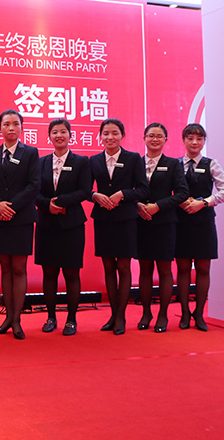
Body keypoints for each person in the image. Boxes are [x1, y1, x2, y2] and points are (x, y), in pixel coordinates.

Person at [90, 118, 150, 335]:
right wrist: (94, 195)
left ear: (122, 136)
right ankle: (113, 314)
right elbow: (85, 189)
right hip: (103, 219)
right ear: (100, 136)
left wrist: (123, 194)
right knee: (108, 268)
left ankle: (121, 316)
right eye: (106, 133)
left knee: (123, 267)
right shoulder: (94, 160)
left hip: (125, 219)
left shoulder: (133, 158)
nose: (110, 137)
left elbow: (143, 190)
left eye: (115, 133)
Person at [35, 118, 91, 336]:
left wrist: (60, 203)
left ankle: (71, 320)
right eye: (55, 132)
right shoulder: (40, 162)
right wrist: (47, 205)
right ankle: (51, 317)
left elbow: (85, 190)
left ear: (70, 135)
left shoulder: (81, 162)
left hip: (72, 225)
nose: (59, 135)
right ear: (49, 136)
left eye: (63, 132)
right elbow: (34, 191)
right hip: (46, 224)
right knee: (49, 273)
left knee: (71, 273)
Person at [0, 109, 39, 340]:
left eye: (15, 124)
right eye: (6, 124)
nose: (11, 128)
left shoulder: (31, 153)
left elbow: (34, 185)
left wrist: (11, 207)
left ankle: (17, 320)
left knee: (19, 268)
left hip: (21, 218)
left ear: (21, 127)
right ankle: (7, 317)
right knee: (5, 269)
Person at [175, 123, 224, 332]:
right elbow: (167, 190)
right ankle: (184, 313)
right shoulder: (175, 164)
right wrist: (180, 201)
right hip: (180, 221)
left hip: (204, 222)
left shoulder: (211, 164)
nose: (194, 142)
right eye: (190, 138)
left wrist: (204, 202)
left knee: (203, 268)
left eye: (199, 139)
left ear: (204, 142)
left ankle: (199, 313)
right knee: (182, 269)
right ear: (184, 141)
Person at [135, 122, 188, 333]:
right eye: (151, 135)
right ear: (144, 138)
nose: (155, 139)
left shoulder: (173, 164)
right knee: (145, 269)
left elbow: (182, 193)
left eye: (159, 136)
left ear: (166, 140)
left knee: (164, 270)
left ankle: (163, 314)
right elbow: (129, 190)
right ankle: (146, 312)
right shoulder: (136, 163)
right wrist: (138, 205)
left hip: (165, 223)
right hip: (141, 222)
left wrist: (158, 206)